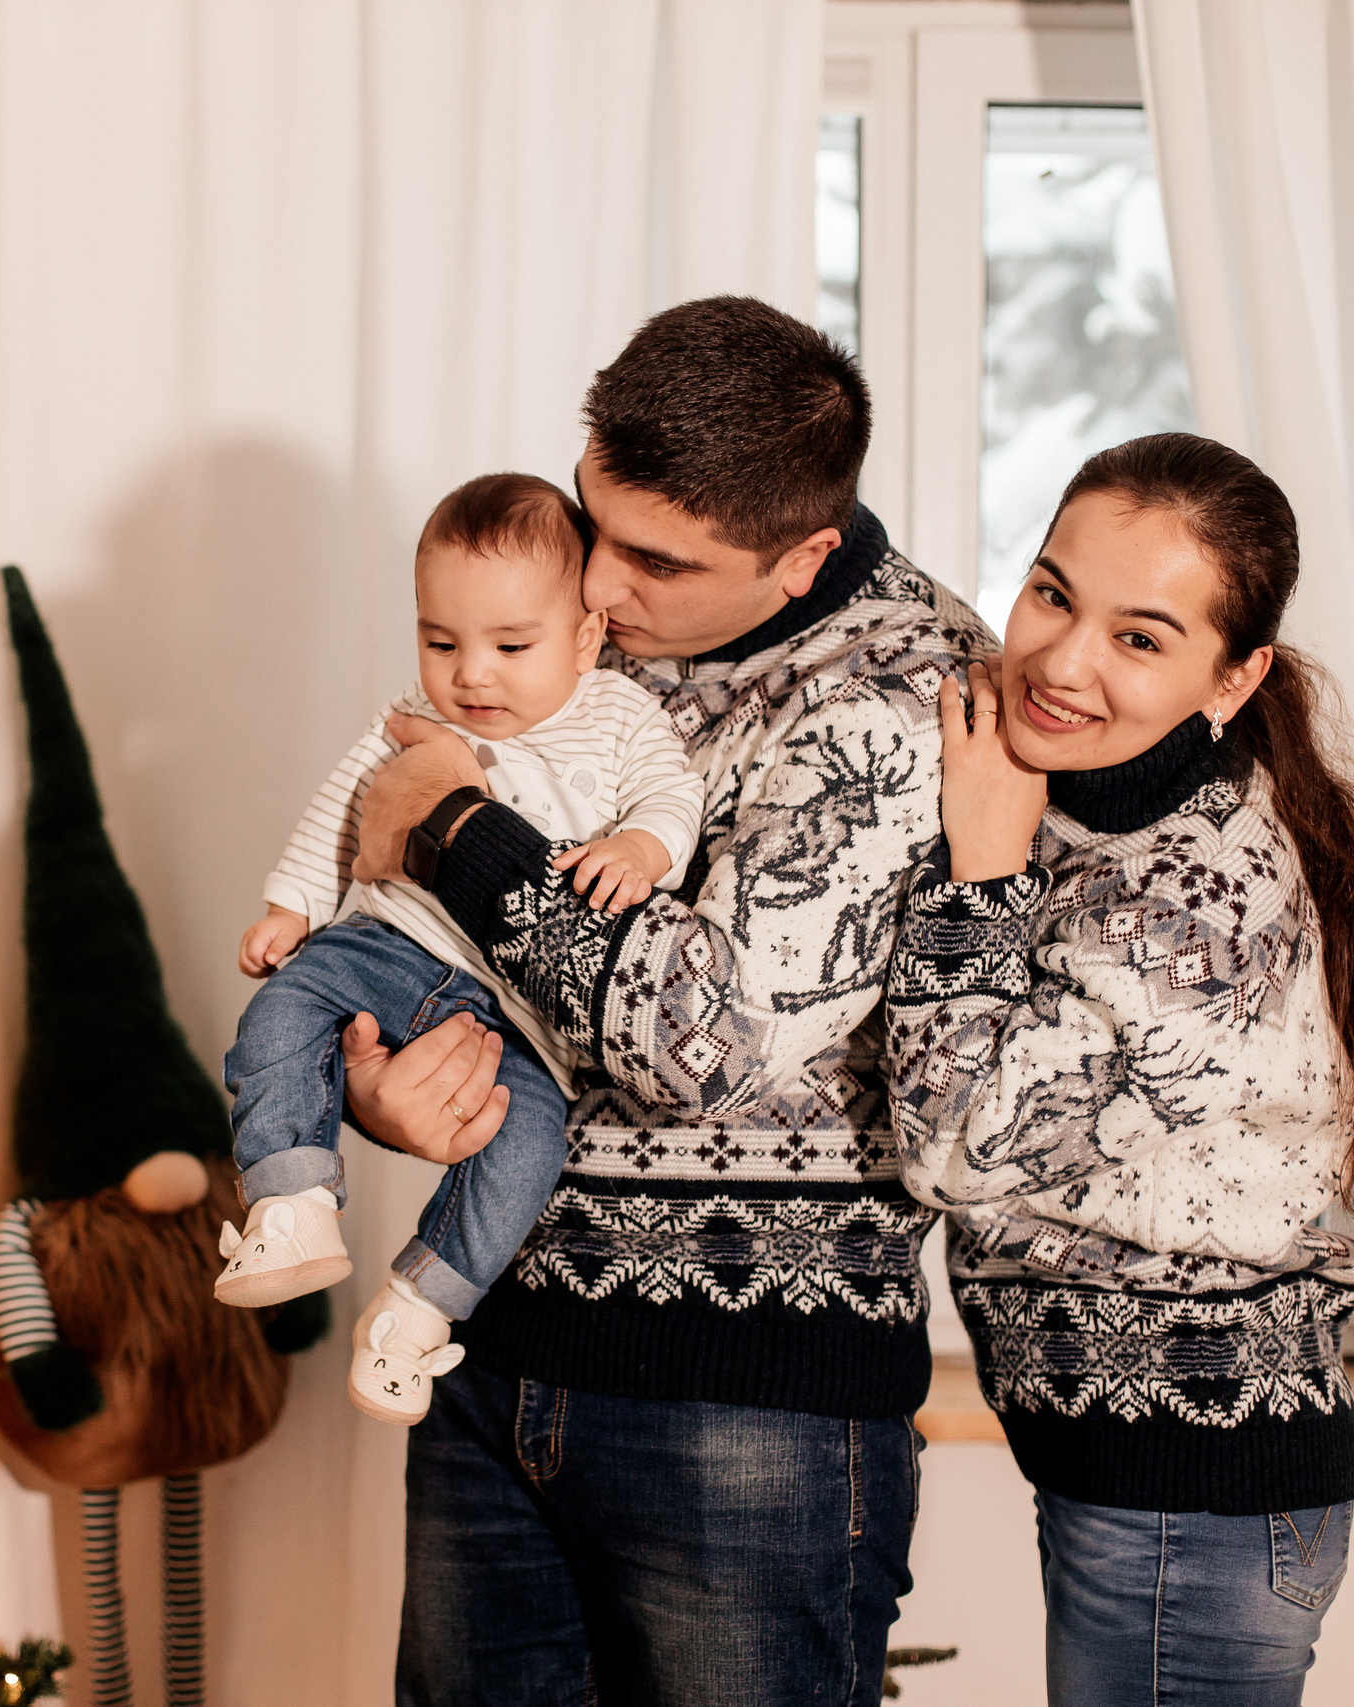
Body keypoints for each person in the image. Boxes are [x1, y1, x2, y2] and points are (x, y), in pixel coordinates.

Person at [344, 297, 992, 1707]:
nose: (599, 590)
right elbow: (392, 870)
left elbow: (696, 1043)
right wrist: (379, 1080)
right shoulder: (573, 607)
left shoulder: (896, 695)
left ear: (804, 553)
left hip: (745, 1402)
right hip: (484, 1337)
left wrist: (459, 825)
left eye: (656, 562)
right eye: (596, 522)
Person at [884, 433, 1354, 1705]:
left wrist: (979, 877)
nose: (1060, 661)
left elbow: (951, 1147)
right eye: (1052, 593)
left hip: (1187, 1501)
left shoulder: (1190, 896)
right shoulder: (1103, 808)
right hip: (1148, 1484)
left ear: (1235, 674)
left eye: (1141, 638)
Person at [215, 471, 704, 1425]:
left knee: (525, 1148)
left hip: (523, 1012)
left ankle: (420, 1307)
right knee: (281, 1008)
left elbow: (671, 798)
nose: (471, 673)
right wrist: (293, 905)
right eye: (442, 642)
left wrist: (642, 847)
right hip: (391, 946)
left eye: (510, 646)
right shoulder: (414, 714)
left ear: (585, 635)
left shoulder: (620, 717)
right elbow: (343, 804)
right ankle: (291, 1200)